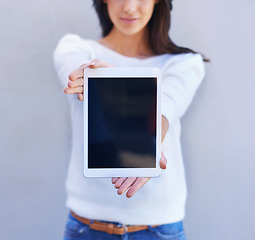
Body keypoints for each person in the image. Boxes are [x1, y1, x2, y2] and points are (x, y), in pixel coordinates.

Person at [53, 0, 206, 239]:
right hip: (86, 227)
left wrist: (152, 138)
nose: (130, 7)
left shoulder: (184, 63)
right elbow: (73, 70)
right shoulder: (76, 49)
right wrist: (92, 76)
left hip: (159, 229)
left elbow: (167, 107)